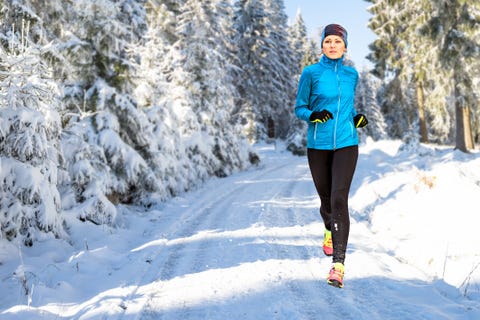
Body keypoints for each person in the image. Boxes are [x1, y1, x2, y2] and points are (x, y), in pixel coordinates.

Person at [294, 23, 368, 288]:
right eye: (328, 42)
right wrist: (312, 115)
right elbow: (299, 107)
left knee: (339, 198)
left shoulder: (351, 75)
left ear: (345, 46)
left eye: (338, 41)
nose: (333, 45)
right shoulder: (311, 73)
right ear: (323, 46)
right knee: (326, 198)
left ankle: (338, 265)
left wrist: (356, 118)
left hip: (347, 143)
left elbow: (348, 107)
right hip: (318, 144)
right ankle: (328, 227)